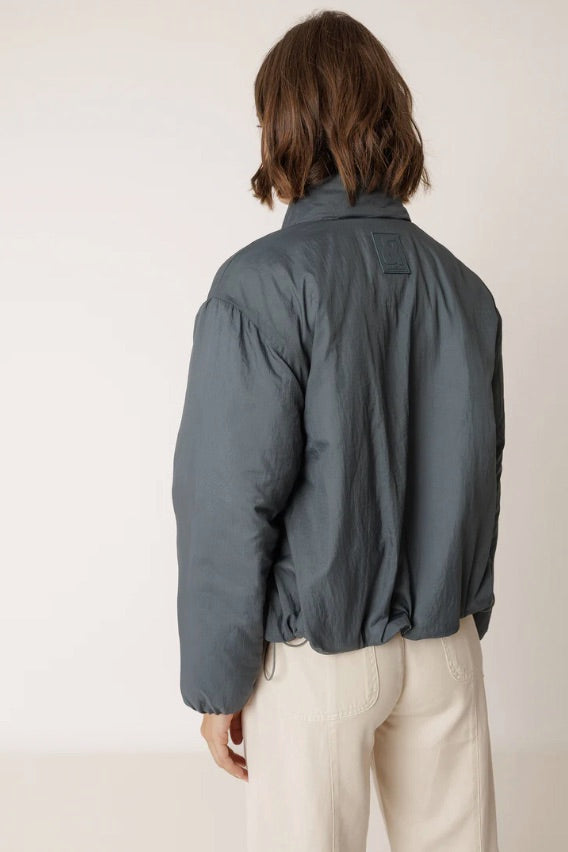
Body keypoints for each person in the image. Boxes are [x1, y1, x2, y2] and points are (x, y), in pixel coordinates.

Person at [171, 10, 505, 852]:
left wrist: (218, 683)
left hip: (317, 661)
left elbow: (226, 499)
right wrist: (464, 613)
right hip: (446, 649)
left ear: (284, 126)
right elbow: (480, 469)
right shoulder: (465, 291)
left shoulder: (259, 286)